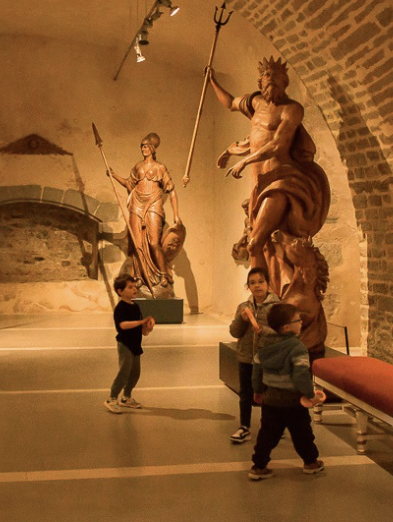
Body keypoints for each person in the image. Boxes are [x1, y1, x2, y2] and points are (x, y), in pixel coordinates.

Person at [207, 58, 330, 295]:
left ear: (285, 82)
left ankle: (263, 299)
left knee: (254, 244)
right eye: (266, 76)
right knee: (268, 246)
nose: (271, 80)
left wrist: (245, 160)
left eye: (276, 76)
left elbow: (278, 145)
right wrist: (211, 81)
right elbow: (230, 102)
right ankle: (277, 292)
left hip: (282, 181)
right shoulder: (256, 104)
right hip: (259, 185)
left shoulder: (293, 109)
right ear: (260, 82)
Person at [248, 302, 326, 480]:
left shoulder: (264, 346)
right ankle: (311, 463)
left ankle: (258, 467)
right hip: (293, 402)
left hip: (271, 400)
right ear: (287, 327)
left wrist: (258, 390)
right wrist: (311, 394)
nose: (301, 323)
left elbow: (257, 369)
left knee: (267, 435)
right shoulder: (297, 348)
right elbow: (301, 375)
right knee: (302, 434)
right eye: (297, 320)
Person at [108, 133, 182, 296]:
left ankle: (163, 275)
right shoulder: (138, 166)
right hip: (137, 205)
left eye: (146, 146)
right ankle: (140, 277)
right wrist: (113, 175)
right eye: (142, 146)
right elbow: (129, 183)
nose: (143, 149)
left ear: (153, 149)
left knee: (154, 242)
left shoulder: (160, 167)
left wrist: (176, 215)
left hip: (154, 204)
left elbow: (172, 191)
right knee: (137, 244)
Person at [228, 267, 280, 443]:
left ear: (267, 284)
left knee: (267, 393)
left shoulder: (276, 307)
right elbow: (234, 332)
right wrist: (241, 320)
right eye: (252, 283)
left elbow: (281, 332)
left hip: (267, 359)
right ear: (248, 286)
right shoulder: (243, 307)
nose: (257, 286)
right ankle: (245, 427)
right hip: (246, 357)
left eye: (260, 281)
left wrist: (263, 330)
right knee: (245, 393)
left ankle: (269, 427)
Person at [105, 273, 155, 414]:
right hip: (125, 344)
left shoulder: (135, 306)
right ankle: (112, 398)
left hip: (135, 344)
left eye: (134, 287)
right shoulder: (120, 308)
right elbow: (122, 325)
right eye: (130, 287)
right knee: (124, 372)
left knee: (135, 374)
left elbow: (142, 330)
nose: (134, 289)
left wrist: (147, 327)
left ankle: (126, 397)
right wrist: (141, 322)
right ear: (120, 291)